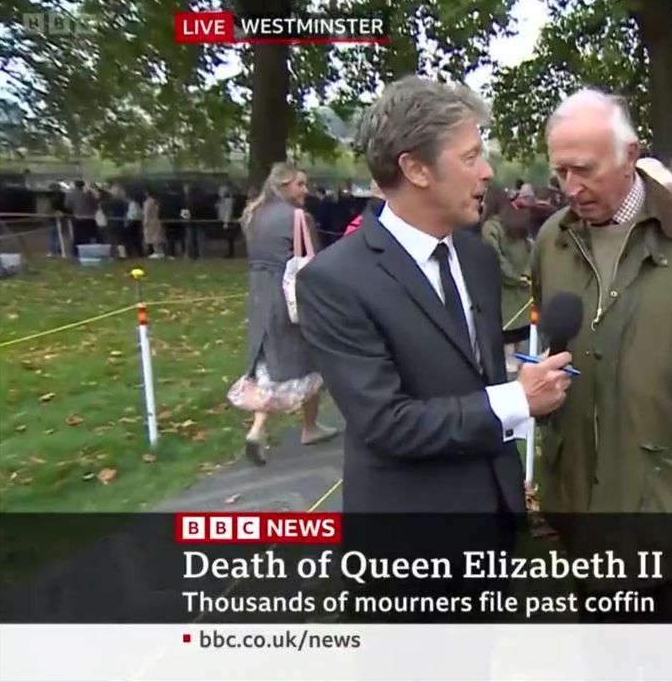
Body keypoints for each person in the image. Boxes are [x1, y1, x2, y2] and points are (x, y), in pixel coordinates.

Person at [296, 76, 572, 514]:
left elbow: (475, 379)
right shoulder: (334, 281)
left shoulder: (475, 256)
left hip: (494, 518)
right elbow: (387, 423)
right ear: (416, 170)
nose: (487, 172)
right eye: (470, 157)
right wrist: (517, 399)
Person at [529, 89, 672, 622]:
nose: (571, 187)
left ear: (630, 156)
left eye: (584, 169)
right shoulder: (551, 240)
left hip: (662, 495)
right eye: (560, 172)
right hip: (579, 492)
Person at [226, 163, 339, 465]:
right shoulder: (299, 218)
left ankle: (268, 427)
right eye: (300, 184)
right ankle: (304, 426)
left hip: (260, 294)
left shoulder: (253, 214)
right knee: (308, 357)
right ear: (283, 185)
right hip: (291, 296)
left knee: (270, 363)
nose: (306, 190)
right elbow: (314, 262)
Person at [481, 195, 534, 374]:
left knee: (508, 323)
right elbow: (531, 248)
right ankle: (518, 360)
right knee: (519, 323)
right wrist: (525, 275)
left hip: (505, 285)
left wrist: (513, 277)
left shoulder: (490, 227)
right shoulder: (517, 223)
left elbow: (495, 257)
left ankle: (511, 361)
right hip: (523, 285)